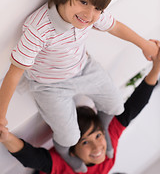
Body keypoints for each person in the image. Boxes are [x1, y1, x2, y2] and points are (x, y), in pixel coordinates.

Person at [0, 0, 158, 171]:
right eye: (83, 2)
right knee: (70, 135)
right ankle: (67, 152)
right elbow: (14, 73)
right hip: (50, 85)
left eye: (98, 8)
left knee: (115, 104)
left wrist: (144, 44)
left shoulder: (91, 17)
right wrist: (1, 116)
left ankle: (98, 135)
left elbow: (115, 26)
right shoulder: (39, 29)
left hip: (83, 68)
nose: (90, 15)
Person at [0, 47, 160, 174]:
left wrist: (5, 136)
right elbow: (133, 108)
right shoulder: (107, 160)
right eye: (85, 141)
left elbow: (34, 160)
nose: (97, 147)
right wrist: (155, 69)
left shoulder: (74, 164)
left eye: (97, 136)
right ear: (73, 153)